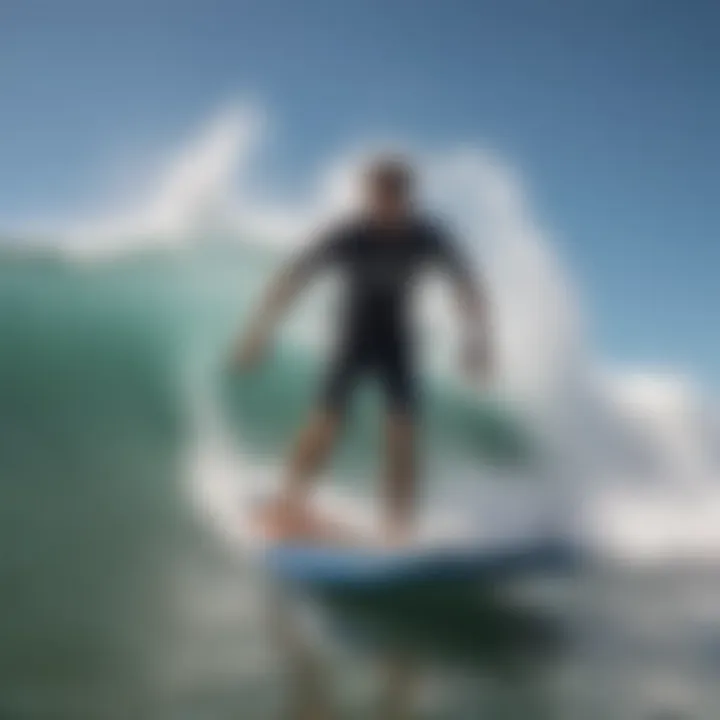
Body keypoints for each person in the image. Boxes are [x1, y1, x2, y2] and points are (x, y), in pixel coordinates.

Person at [232, 156, 492, 545]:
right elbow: (294, 277)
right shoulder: (350, 235)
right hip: (353, 337)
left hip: (397, 341)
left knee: (403, 432)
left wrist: (476, 342)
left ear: (408, 198)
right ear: (368, 197)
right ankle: (288, 504)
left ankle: (398, 529)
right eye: (376, 197)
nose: (383, 206)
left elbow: (464, 284)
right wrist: (259, 333)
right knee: (326, 420)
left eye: (393, 197)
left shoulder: (428, 236)